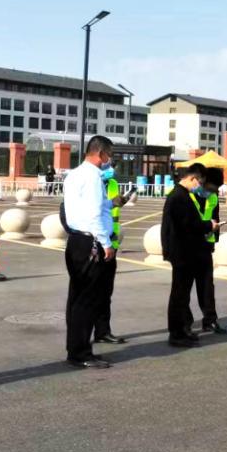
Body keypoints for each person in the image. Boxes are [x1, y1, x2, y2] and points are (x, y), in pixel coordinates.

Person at [62, 136, 119, 369]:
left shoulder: (74, 174)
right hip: (91, 242)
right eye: (110, 155)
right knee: (87, 299)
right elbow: (94, 213)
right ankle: (81, 353)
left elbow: (78, 208)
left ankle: (75, 348)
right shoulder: (94, 177)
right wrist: (106, 243)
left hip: (76, 240)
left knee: (77, 298)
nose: (110, 160)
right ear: (101, 153)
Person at [161, 165, 222, 347]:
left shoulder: (181, 195)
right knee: (179, 296)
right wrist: (208, 226)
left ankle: (181, 331)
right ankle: (177, 334)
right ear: (193, 178)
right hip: (182, 253)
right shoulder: (179, 197)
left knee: (183, 295)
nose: (200, 186)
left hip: (188, 252)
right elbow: (187, 225)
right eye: (200, 182)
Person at [92, 162, 132, 345]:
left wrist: (119, 201)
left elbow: (110, 209)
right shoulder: (91, 183)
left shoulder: (113, 184)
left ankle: (103, 331)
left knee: (106, 292)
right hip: (95, 244)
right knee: (90, 292)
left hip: (111, 243)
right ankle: (83, 335)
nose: (111, 169)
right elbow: (93, 215)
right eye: (107, 165)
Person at [190, 165, 226, 334]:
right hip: (189, 246)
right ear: (203, 181)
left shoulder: (213, 196)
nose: (214, 191)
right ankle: (185, 322)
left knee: (207, 286)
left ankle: (210, 320)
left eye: (216, 189)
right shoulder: (188, 195)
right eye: (212, 187)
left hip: (205, 246)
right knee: (183, 288)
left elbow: (215, 216)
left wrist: (213, 241)